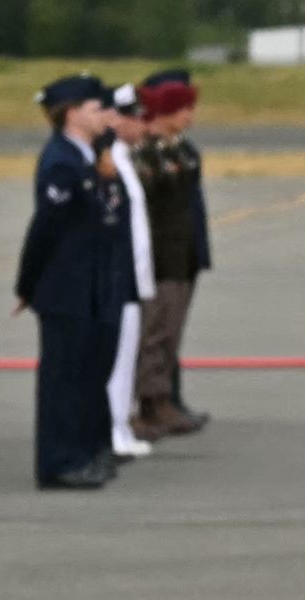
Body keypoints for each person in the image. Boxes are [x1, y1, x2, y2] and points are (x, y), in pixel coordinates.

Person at [15, 75, 130, 490]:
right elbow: (46, 228)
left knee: (88, 373)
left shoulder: (87, 156)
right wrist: (27, 284)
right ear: (72, 113)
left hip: (92, 284)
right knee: (64, 379)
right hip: (66, 286)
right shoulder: (61, 162)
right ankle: (60, 462)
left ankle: (86, 450)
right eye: (97, 108)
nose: (106, 115)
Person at [134, 79, 206, 439]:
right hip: (158, 256)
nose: (190, 116)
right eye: (183, 109)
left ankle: (162, 398)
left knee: (170, 332)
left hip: (180, 254)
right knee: (154, 331)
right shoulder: (145, 153)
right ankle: (149, 402)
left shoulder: (179, 150)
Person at [103, 84, 158, 460]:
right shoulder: (108, 161)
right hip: (117, 276)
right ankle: (111, 430)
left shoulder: (123, 158)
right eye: (134, 118)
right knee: (114, 361)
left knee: (124, 360)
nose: (142, 125)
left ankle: (119, 428)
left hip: (131, 276)